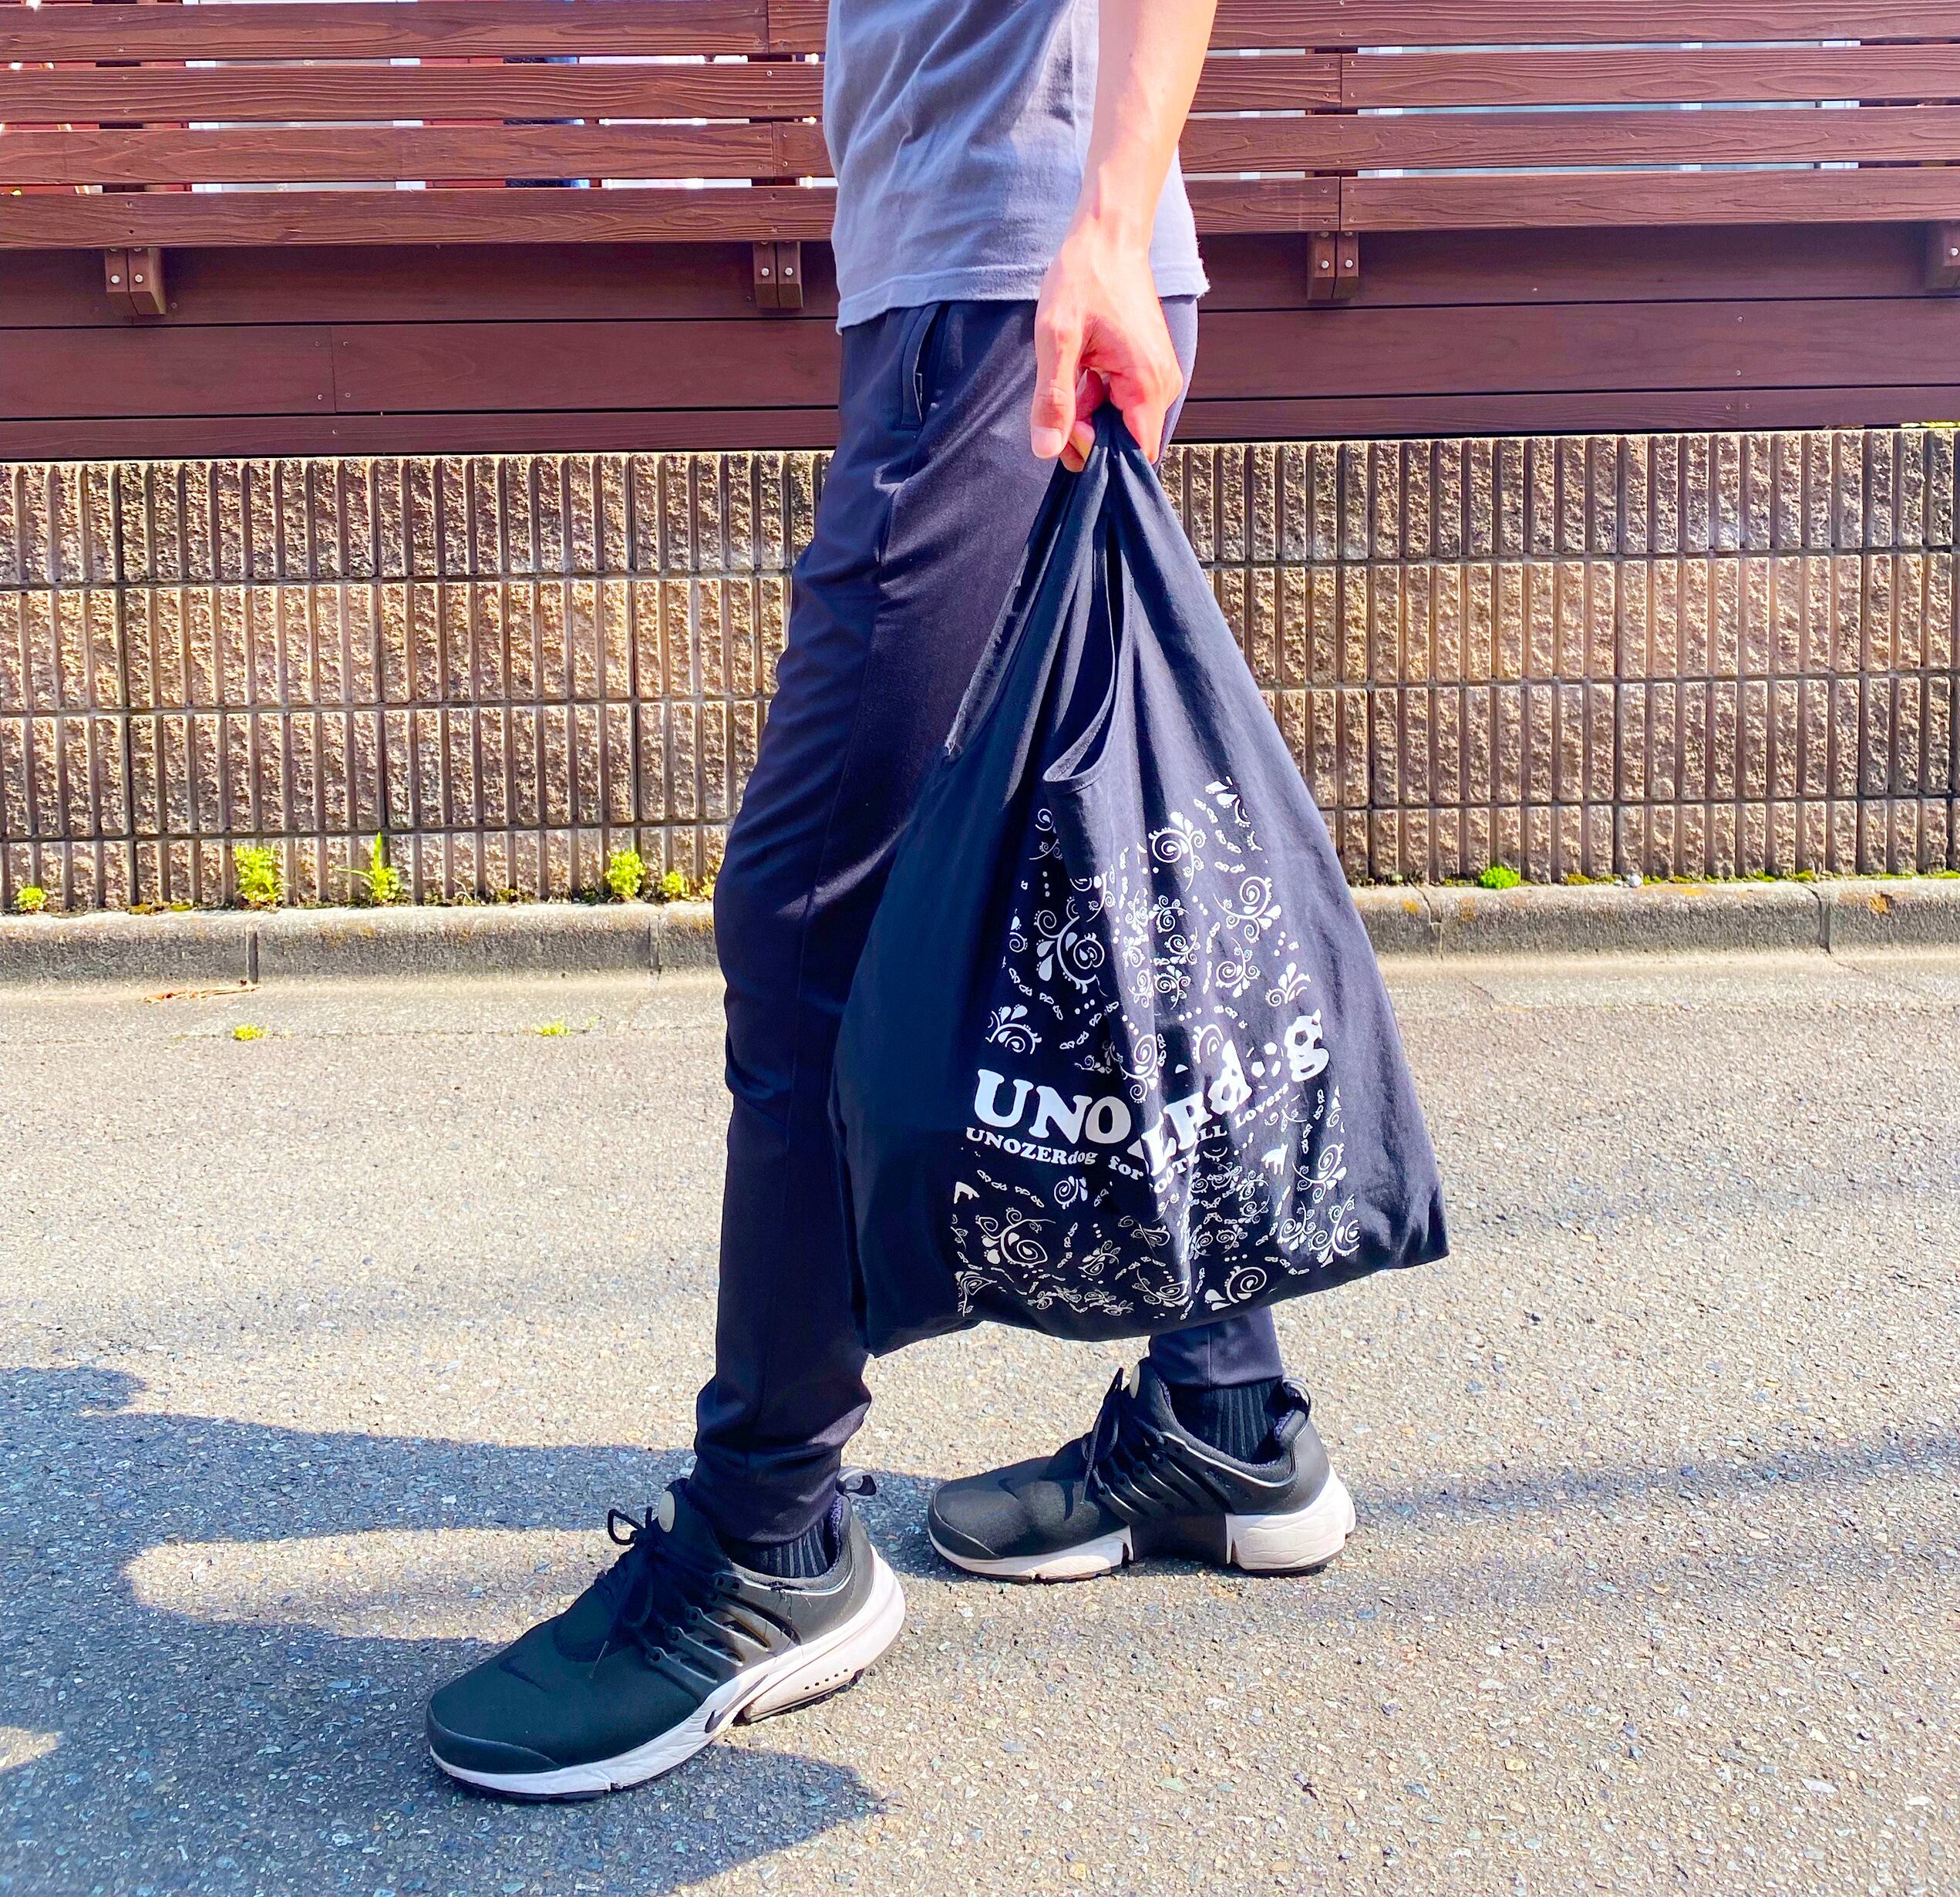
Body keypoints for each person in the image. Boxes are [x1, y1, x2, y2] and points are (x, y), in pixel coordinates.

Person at [426, 0, 1353, 1799]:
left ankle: (768, 1539)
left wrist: (1099, 225)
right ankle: (1221, 1406)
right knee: (1067, 894)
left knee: (805, 928)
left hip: (1012, 285)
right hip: (995, 272)